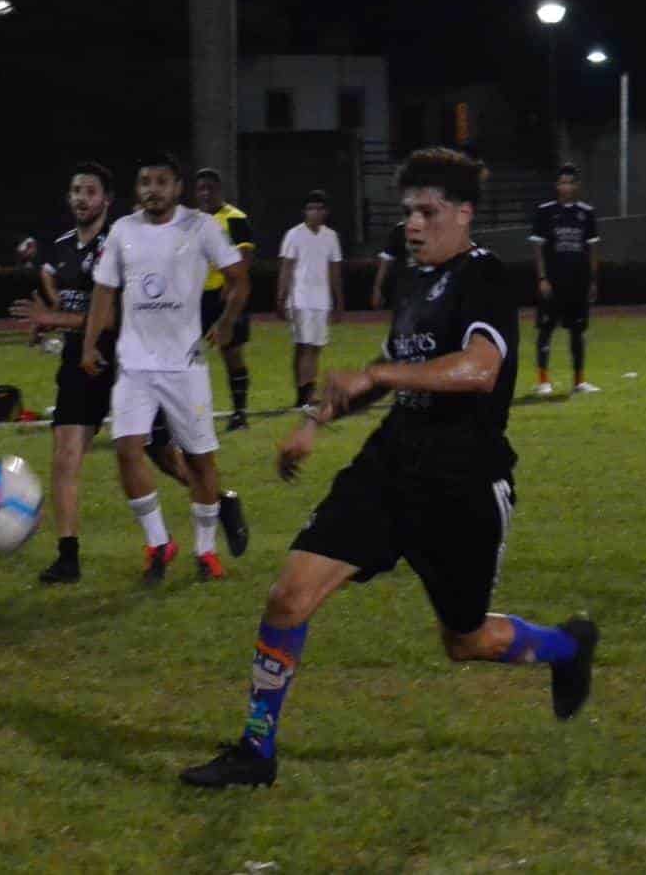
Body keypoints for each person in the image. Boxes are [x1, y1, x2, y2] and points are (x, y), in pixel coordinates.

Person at [180, 147, 598, 790]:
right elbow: (398, 360)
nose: (413, 225)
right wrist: (315, 424)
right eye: (408, 212)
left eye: (428, 212)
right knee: (289, 596)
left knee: (463, 642)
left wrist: (379, 372)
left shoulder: (483, 277)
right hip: (391, 465)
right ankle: (256, 752)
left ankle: (568, 647)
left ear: (463, 215)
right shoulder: (413, 278)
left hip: (463, 484)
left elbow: (479, 369)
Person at [11, 163, 249, 585]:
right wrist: (71, 337)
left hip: (160, 362)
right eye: (75, 190)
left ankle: (211, 525)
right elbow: (94, 294)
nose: (81, 198)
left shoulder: (177, 230)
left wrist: (227, 320)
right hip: (112, 365)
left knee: (183, 458)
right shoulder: (94, 239)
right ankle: (108, 550)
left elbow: (234, 277)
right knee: (98, 452)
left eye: (90, 191)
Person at [82, 152, 251, 584]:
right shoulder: (123, 231)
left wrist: (227, 322)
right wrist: (90, 344)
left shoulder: (201, 227)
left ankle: (206, 550)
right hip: (135, 364)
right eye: (144, 182)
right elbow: (104, 291)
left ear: (177, 188)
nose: (152, 190)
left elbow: (239, 278)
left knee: (199, 460)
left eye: (161, 182)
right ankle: (158, 543)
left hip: (185, 365)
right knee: (127, 448)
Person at [530, 164, 600, 396]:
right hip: (553, 281)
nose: (566, 187)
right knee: (546, 329)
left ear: (577, 186)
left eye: (570, 182)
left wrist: (592, 281)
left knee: (577, 331)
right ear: (556, 185)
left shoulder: (586, 213)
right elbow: (538, 248)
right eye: (562, 182)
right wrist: (542, 278)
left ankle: (579, 381)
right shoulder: (545, 212)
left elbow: (592, 250)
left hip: (577, 283)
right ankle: (543, 381)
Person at [194, 168, 256, 431]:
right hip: (196, 297)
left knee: (231, 353)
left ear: (219, 190)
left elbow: (244, 260)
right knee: (189, 358)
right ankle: (193, 415)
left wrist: (231, 290)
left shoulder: (235, 218)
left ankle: (239, 413)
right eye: (201, 189)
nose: (206, 193)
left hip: (226, 294)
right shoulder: (192, 221)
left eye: (211, 188)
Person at [277, 190, 345, 408]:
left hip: (321, 299)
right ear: (305, 211)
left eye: (319, 208)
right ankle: (305, 394)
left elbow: (334, 270)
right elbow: (286, 268)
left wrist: (338, 300)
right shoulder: (294, 235)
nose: (314, 212)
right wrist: (281, 297)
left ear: (326, 212)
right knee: (304, 346)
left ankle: (306, 391)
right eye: (310, 208)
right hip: (300, 298)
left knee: (315, 347)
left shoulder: (330, 236)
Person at [370, 220, 408, 311]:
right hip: (403, 285)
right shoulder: (399, 230)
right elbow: (385, 261)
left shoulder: (433, 227)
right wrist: (377, 289)